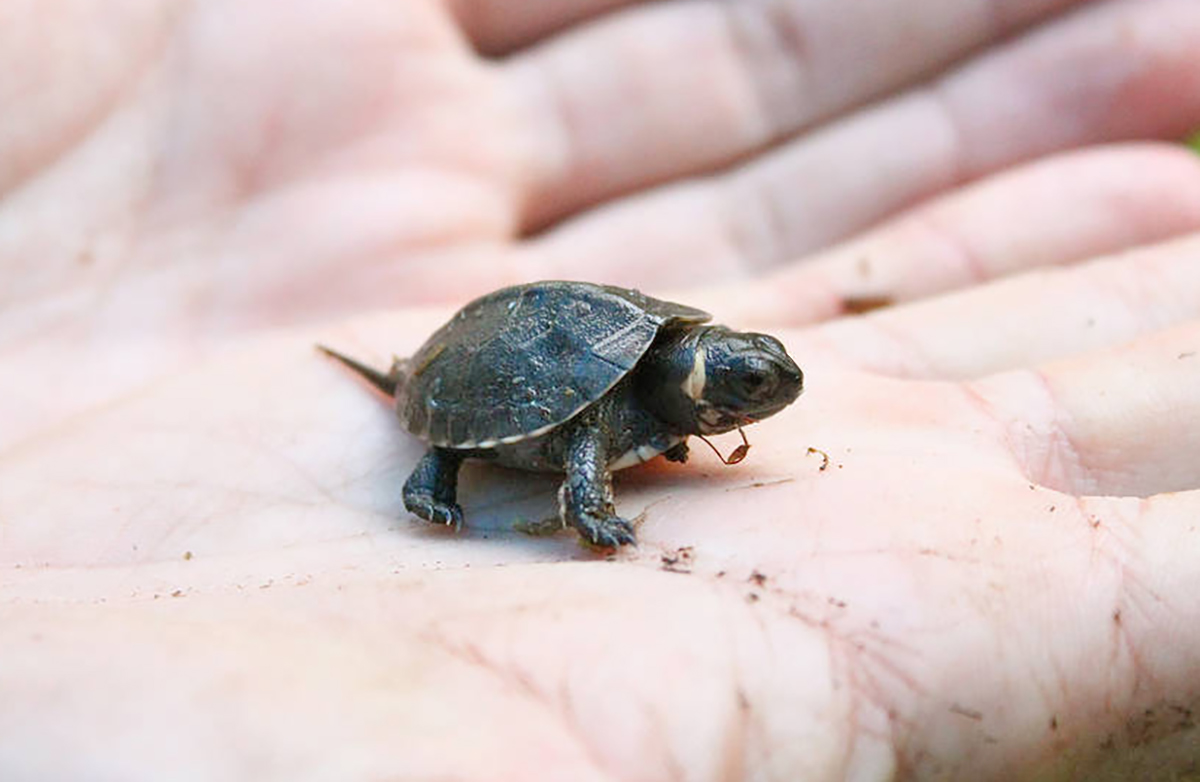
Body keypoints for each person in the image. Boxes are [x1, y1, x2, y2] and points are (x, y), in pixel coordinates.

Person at [2, 0, 1199, 778]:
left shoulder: (672, 356)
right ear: (694, 381)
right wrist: (593, 511)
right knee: (536, 436)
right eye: (742, 383)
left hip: (592, 359)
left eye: (752, 377)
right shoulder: (620, 403)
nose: (756, 395)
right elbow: (587, 431)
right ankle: (433, 470)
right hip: (479, 367)